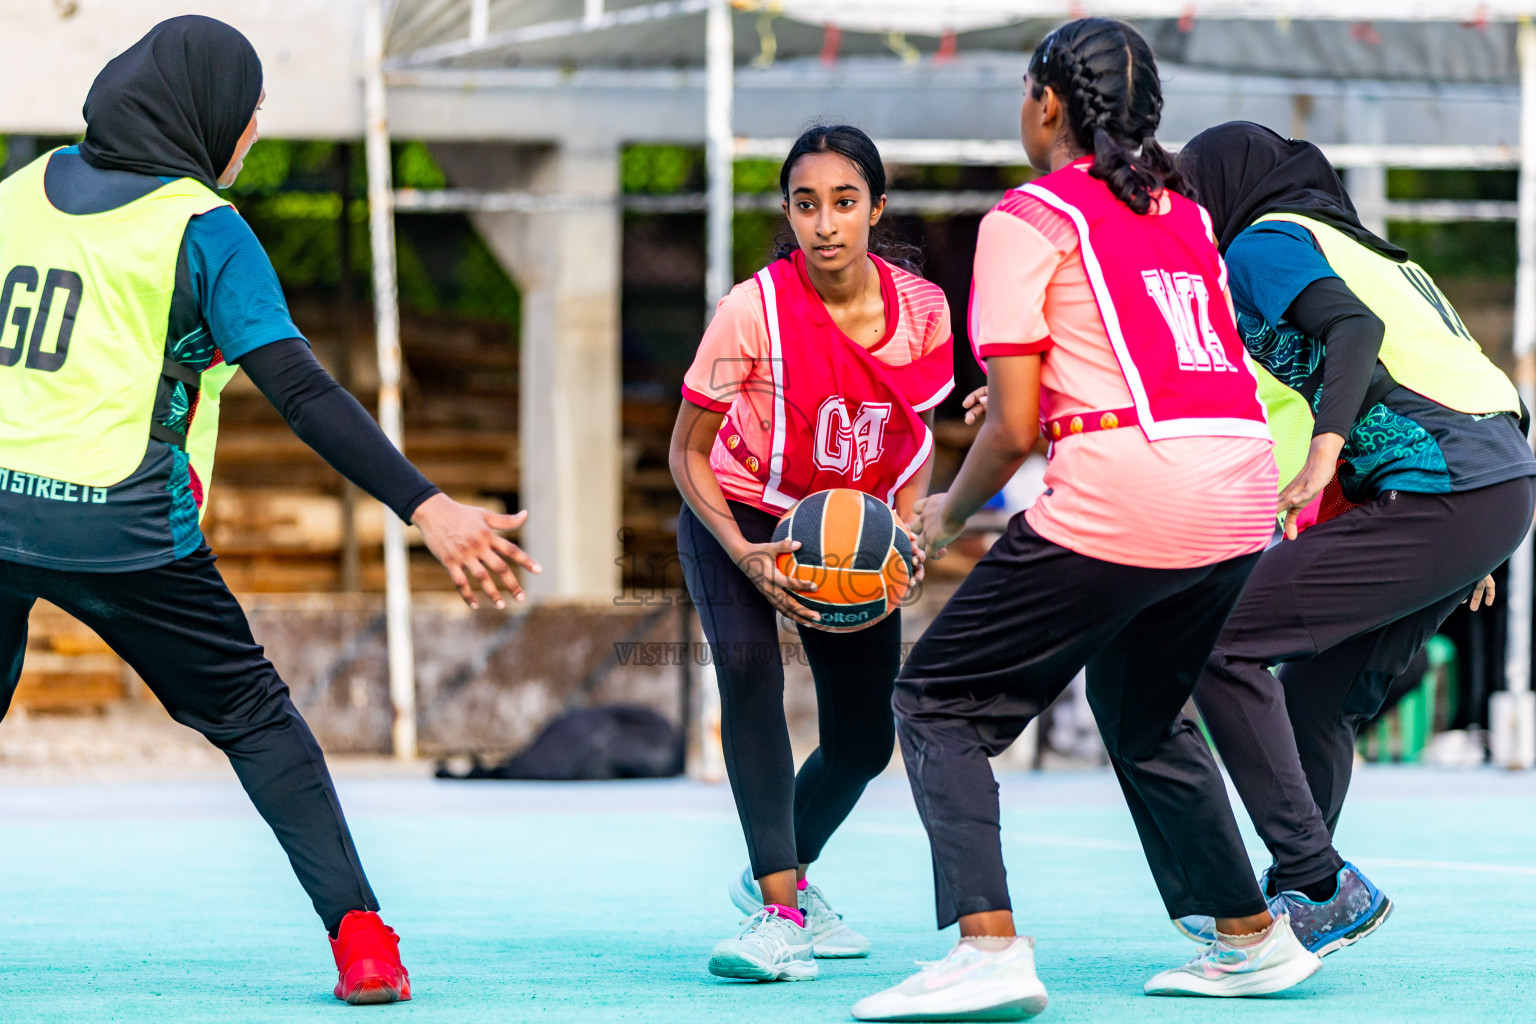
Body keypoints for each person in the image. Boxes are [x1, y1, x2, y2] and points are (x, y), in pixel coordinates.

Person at [0, 17, 540, 1004]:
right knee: (254, 715)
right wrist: (425, 505)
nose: (250, 140)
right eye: (250, 121)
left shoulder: (13, 197)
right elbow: (304, 392)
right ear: (209, 119)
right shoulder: (200, 226)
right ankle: (363, 939)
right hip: (117, 524)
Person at [852, 21, 1321, 1021]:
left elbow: (1017, 428)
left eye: (1025, 91)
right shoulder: (1184, 213)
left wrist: (940, 511)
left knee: (939, 702)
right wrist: (1034, 403)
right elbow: (1141, 354)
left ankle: (988, 948)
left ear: (1049, 105)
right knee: (1144, 710)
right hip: (1240, 486)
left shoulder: (1027, 215)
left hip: (1134, 483)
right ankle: (1250, 937)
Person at [1163, 121, 1536, 955]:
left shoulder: (1265, 239)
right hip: (1489, 481)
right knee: (1319, 695)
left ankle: (1321, 879)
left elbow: (1355, 336)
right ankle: (1303, 892)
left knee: (1219, 639)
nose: (1185, 209)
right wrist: (1477, 533)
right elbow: (1473, 374)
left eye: (1189, 190)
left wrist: (1341, 453)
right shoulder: (1375, 251)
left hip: (1448, 487)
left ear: (1226, 186)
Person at [669, 124, 953, 981]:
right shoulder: (751, 311)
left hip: (848, 536)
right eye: (804, 204)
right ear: (787, 213)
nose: (824, 224)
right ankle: (782, 912)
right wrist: (741, 547)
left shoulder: (926, 311)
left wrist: (905, 528)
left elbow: (916, 437)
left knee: (865, 740)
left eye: (843, 202)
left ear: (875, 209)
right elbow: (686, 451)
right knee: (750, 681)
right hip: (741, 516)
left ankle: (785, 870)